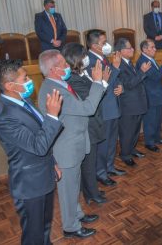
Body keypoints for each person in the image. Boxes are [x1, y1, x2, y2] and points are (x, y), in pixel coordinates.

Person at [38, 49, 106, 238]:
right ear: (53, 69)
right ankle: (70, 227)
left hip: (74, 144)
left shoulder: (60, 83)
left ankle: (77, 215)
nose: (68, 67)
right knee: (67, 190)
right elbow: (88, 108)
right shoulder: (54, 90)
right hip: (65, 150)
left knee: (73, 186)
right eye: (64, 65)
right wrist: (98, 82)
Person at [0, 59, 63, 245]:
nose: (29, 81)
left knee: (45, 227)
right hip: (29, 185)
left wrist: (53, 163)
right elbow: (38, 146)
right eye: (25, 78)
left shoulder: (22, 100)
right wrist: (52, 116)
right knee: (33, 235)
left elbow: (41, 136)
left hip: (44, 175)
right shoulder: (4, 117)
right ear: (10, 85)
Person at [62, 43, 108, 205]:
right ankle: (91, 195)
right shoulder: (73, 79)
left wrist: (101, 82)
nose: (87, 58)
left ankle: (91, 189)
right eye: (83, 55)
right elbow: (90, 101)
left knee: (90, 162)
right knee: (88, 163)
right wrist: (101, 83)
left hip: (93, 123)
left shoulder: (82, 74)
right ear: (76, 59)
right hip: (87, 125)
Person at [86, 29, 125, 187]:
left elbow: (115, 80)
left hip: (112, 106)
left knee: (111, 141)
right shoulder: (89, 61)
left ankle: (109, 167)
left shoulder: (104, 58)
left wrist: (121, 87)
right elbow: (100, 86)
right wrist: (115, 67)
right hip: (103, 108)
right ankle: (100, 173)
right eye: (103, 42)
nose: (107, 45)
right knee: (103, 144)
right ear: (95, 46)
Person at [114, 38, 150, 166]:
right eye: (129, 48)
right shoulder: (119, 66)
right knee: (127, 132)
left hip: (137, 103)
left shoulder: (129, 62)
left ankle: (131, 149)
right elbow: (128, 84)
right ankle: (125, 154)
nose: (132, 49)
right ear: (121, 51)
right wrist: (142, 72)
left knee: (135, 131)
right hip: (128, 105)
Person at [136, 39, 162, 152]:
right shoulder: (143, 61)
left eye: (154, 47)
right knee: (150, 120)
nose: (155, 49)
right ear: (144, 49)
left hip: (156, 95)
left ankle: (157, 138)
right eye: (152, 47)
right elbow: (156, 76)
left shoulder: (150, 59)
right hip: (150, 96)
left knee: (157, 119)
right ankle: (149, 143)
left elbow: (156, 75)